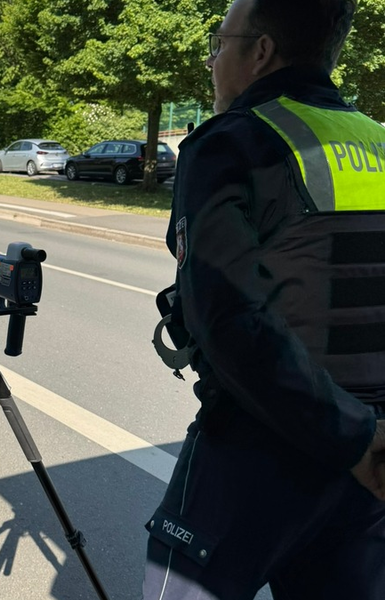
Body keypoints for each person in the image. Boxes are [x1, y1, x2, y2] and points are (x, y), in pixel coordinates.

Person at [144, 0, 385, 598]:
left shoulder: (233, 143)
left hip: (266, 442)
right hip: (375, 452)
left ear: (260, 51)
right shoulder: (377, 140)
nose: (211, 60)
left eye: (220, 43)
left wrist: (347, 433)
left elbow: (229, 319)